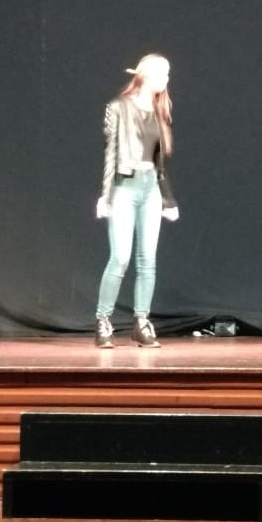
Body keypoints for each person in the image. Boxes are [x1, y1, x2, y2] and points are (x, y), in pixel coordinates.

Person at [94, 53, 179, 348]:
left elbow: (160, 165)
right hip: (125, 187)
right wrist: (105, 195)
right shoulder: (118, 107)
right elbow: (110, 153)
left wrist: (168, 199)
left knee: (147, 260)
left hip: (150, 188)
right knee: (120, 257)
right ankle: (103, 321)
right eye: (164, 73)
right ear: (148, 74)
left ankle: (141, 322)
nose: (167, 79)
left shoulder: (159, 111)